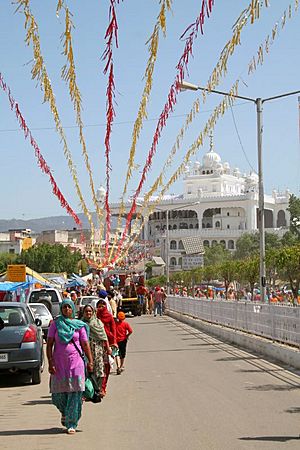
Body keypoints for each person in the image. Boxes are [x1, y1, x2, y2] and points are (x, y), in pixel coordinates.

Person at [46, 299, 93, 435]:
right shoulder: (55, 324)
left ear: (73, 309)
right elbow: (49, 344)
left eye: (69, 307)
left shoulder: (79, 326)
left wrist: (90, 361)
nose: (67, 309)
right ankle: (64, 412)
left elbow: (85, 344)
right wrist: (50, 361)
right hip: (59, 364)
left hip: (76, 363)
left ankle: (71, 423)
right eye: (64, 307)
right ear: (61, 309)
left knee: (75, 393)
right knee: (58, 395)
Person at [82, 305, 111, 389]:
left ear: (93, 312)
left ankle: (98, 389)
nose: (88, 313)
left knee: (99, 369)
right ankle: (88, 390)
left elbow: (104, 336)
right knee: (86, 370)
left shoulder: (97, 322)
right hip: (85, 350)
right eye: (86, 311)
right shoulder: (81, 324)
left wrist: (108, 348)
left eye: (90, 311)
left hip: (97, 349)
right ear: (83, 313)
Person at [96, 299, 117, 397]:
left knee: (106, 367)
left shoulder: (109, 317)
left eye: (102, 306)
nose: (101, 308)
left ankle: (103, 387)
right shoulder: (94, 317)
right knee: (97, 368)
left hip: (107, 346)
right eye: (99, 306)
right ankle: (97, 388)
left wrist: (114, 343)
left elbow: (114, 331)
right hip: (96, 345)